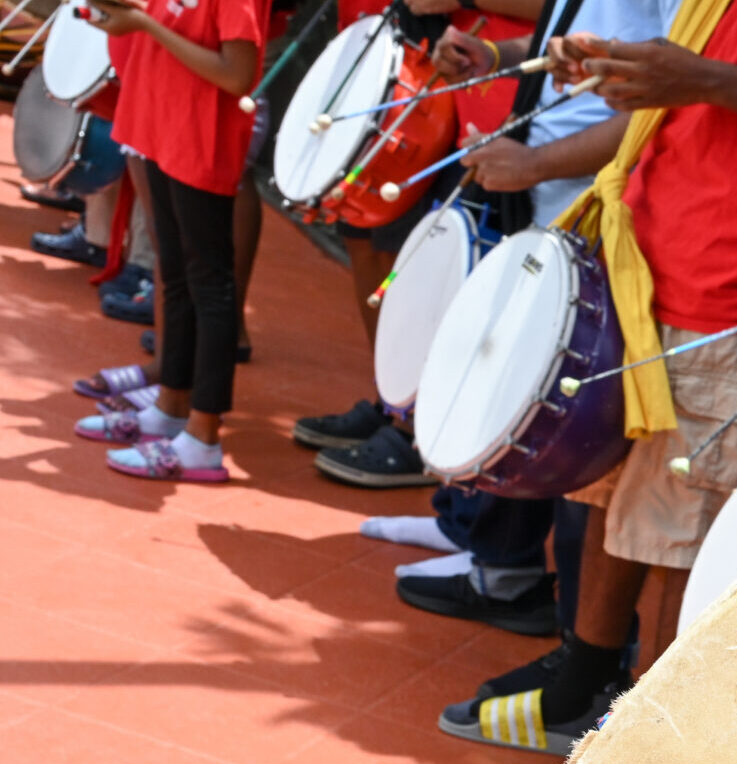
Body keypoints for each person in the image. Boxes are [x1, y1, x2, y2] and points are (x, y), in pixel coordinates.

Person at [434, 0, 737, 753]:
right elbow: (692, 84)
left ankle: (639, 750)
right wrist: (622, 70)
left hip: (733, 275)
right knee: (612, 490)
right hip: (646, 251)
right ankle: (584, 680)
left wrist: (705, 79)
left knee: (674, 523)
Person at [362, 0, 675, 635]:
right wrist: (504, 57)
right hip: (552, 199)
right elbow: (597, 51)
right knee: (506, 384)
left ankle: (533, 600)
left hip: (597, 215)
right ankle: (485, 548)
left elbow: (664, 112)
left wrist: (534, 163)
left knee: (555, 420)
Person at [298, 0, 537, 487]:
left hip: (499, 118)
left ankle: (420, 429)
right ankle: (393, 402)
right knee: (376, 247)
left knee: (429, 270)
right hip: (419, 76)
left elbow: (568, 14)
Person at [76, 0, 264, 483]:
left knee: (209, 285)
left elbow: (236, 75)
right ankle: (169, 408)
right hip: (161, 119)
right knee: (176, 273)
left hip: (199, 133)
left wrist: (144, 24)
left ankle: (203, 436)